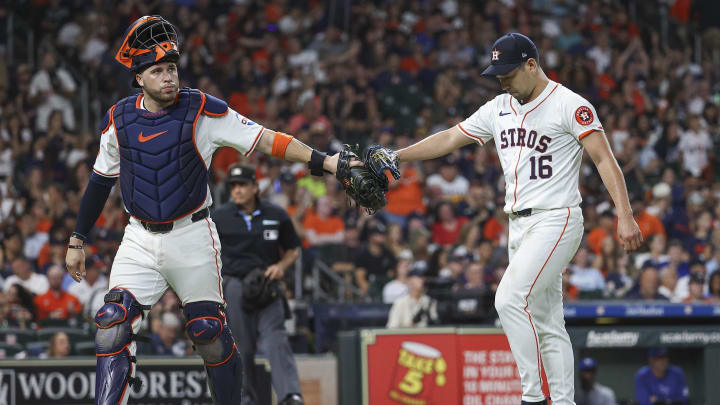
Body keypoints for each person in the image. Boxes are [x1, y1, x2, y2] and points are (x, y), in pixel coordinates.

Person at [64, 15, 355, 405]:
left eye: (171, 68)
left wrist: (326, 162)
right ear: (139, 78)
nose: (168, 77)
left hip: (192, 234)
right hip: (139, 237)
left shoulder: (202, 108)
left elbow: (266, 140)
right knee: (112, 325)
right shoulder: (118, 118)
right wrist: (77, 238)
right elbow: (100, 181)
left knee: (208, 333)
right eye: (158, 71)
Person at [387, 33, 643, 404]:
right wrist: (398, 155)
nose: (502, 81)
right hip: (519, 225)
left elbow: (604, 159)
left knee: (508, 298)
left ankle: (532, 397)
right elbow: (448, 139)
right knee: (549, 322)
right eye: (497, 74)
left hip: (556, 218)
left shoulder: (569, 104)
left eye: (508, 73)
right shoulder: (498, 108)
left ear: (531, 65)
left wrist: (625, 215)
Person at [211, 164, 305, 405]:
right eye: (233, 186)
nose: (237, 190)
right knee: (242, 346)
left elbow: (294, 248)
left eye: (242, 185)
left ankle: (289, 395)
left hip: (267, 283)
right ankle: (245, 397)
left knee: (276, 337)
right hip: (234, 285)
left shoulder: (277, 214)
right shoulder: (219, 217)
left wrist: (282, 266)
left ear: (255, 187)